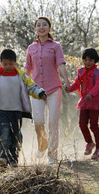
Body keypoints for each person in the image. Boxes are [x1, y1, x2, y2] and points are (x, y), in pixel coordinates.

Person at [0, 49, 47, 168]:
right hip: (1, 111)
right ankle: (3, 157)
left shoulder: (21, 76)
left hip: (16, 111)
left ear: (15, 63)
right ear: (1, 63)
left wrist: (40, 92)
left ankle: (13, 159)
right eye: (5, 64)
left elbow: (31, 86)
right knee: (3, 133)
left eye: (11, 64)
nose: (8, 66)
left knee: (16, 135)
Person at [25, 16, 70, 164]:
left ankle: (52, 155)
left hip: (53, 88)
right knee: (38, 121)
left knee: (53, 123)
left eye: (44, 25)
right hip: (36, 89)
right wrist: (23, 86)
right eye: (38, 25)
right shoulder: (31, 48)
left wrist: (67, 80)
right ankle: (42, 143)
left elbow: (61, 64)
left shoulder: (56, 46)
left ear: (49, 28)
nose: (41, 27)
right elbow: (27, 69)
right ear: (35, 29)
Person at [65, 48, 99, 159]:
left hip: (95, 102)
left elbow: (97, 86)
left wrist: (91, 94)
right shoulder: (81, 71)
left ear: (95, 61)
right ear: (83, 60)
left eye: (90, 60)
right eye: (85, 60)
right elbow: (76, 83)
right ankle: (89, 142)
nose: (88, 62)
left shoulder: (97, 72)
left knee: (93, 125)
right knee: (82, 124)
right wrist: (69, 89)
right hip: (84, 101)